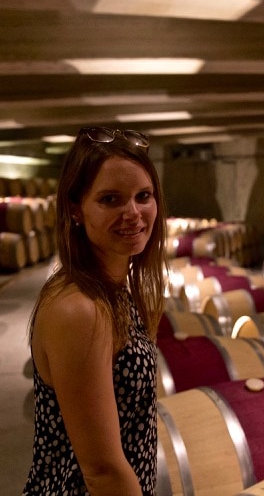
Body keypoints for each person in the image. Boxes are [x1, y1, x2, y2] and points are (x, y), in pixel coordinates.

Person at [23, 126, 167, 495]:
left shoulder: (114, 291)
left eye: (143, 195)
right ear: (76, 209)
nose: (133, 213)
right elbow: (102, 471)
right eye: (110, 199)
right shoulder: (79, 310)